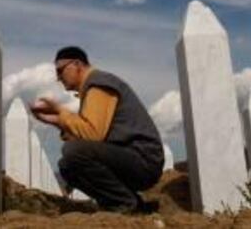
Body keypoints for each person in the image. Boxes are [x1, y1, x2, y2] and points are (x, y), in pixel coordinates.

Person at [30, 46, 164, 213]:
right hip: (131, 158)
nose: (58, 78)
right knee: (67, 166)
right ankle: (132, 202)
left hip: (144, 161)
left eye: (60, 71)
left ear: (77, 64)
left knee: (73, 151)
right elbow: (86, 133)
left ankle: (123, 204)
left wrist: (60, 111)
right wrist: (55, 120)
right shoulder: (93, 87)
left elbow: (93, 134)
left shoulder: (99, 84)